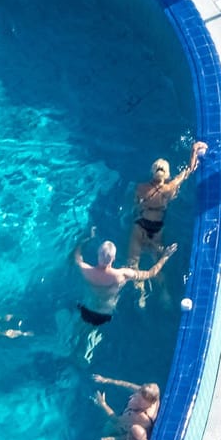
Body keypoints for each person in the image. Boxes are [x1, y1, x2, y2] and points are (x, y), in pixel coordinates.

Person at [130, 141, 205, 305]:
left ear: (152, 171)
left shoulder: (140, 187)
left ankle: (141, 294)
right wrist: (194, 150)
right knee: (157, 261)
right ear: (167, 174)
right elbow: (189, 171)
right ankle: (164, 293)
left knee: (133, 263)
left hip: (140, 225)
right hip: (157, 229)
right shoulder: (170, 187)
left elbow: (135, 205)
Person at [70, 229, 178, 339]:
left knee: (77, 334)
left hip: (86, 309)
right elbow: (151, 273)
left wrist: (85, 239)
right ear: (113, 258)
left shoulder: (86, 270)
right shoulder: (122, 275)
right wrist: (166, 256)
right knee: (91, 336)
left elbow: (77, 257)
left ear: (98, 254)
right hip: (104, 314)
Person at [92, 374, 159, 436]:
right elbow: (128, 385)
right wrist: (106, 380)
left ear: (150, 403)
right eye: (138, 397)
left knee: (106, 429)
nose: (136, 400)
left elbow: (116, 421)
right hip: (128, 415)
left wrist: (102, 404)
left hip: (125, 431)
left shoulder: (141, 417)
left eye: (140, 402)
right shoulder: (149, 394)